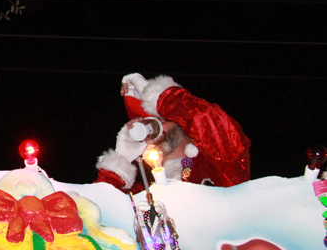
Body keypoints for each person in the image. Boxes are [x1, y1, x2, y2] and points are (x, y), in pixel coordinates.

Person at [95, 73, 250, 192]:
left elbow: (208, 120)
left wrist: (157, 96)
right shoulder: (148, 193)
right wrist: (120, 163)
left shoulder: (219, 163)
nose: (152, 130)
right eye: (147, 125)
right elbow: (97, 211)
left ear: (181, 122)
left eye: (160, 120)